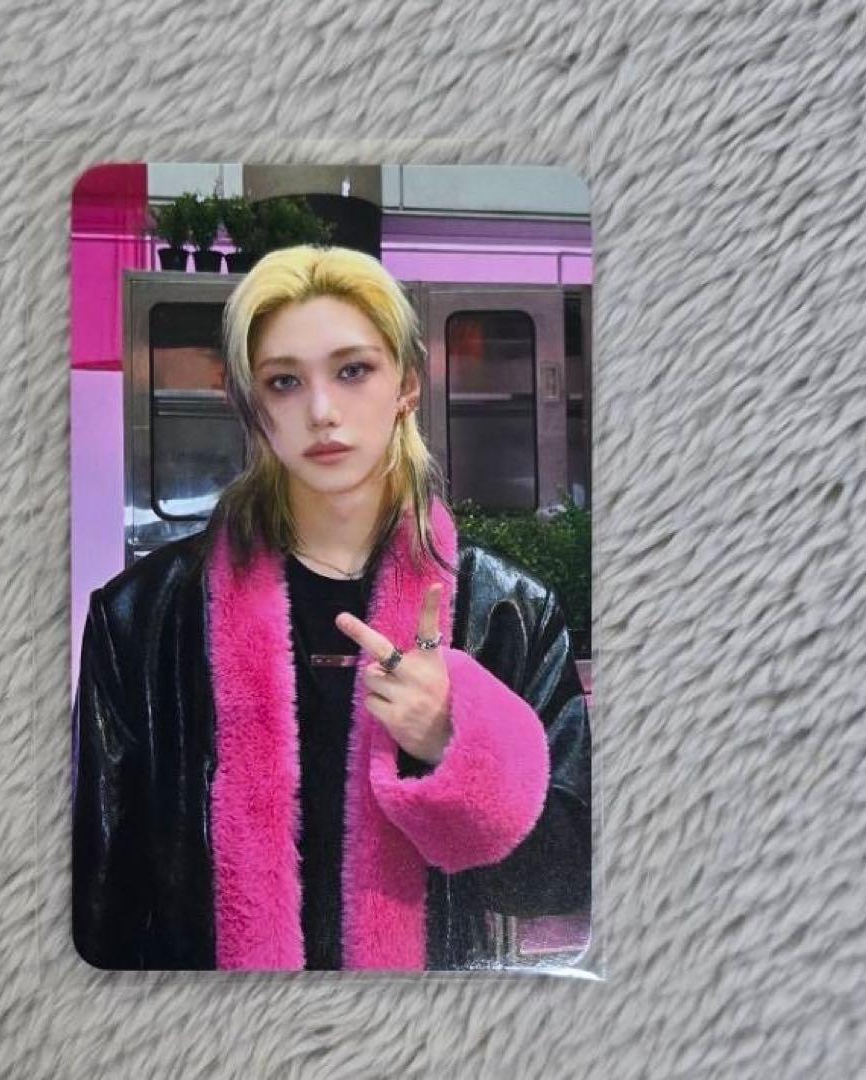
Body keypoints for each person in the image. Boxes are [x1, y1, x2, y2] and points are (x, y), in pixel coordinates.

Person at [72, 245, 591, 971]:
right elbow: (101, 902)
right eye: (284, 381)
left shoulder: (508, 613)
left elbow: (560, 877)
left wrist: (455, 744)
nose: (321, 412)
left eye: (353, 371)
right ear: (252, 407)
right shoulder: (142, 619)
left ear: (407, 384)